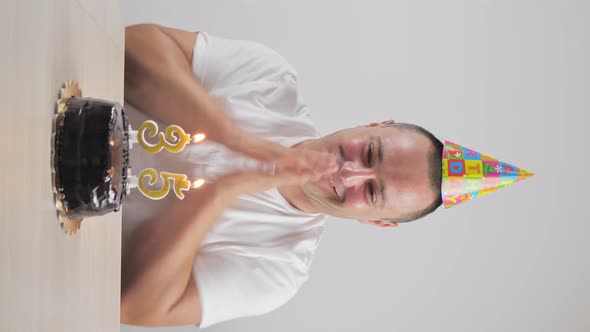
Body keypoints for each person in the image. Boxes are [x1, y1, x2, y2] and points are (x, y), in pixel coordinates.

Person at [120, 24, 443, 328]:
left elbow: (134, 305)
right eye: (370, 153)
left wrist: (222, 192)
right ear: (372, 126)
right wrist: (233, 136)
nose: (350, 172)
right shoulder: (269, 78)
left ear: (375, 221)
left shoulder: (278, 271)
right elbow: (129, 45)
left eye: (372, 192)